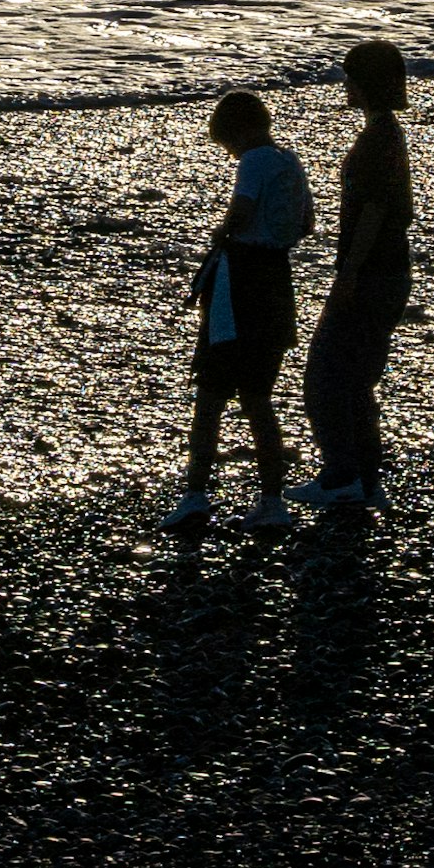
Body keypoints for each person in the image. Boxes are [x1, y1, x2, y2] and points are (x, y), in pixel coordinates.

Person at [167, 89, 313, 539]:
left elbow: (242, 211)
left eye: (227, 144)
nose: (229, 153)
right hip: (276, 280)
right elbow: (308, 224)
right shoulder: (290, 162)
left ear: (236, 132)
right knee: (258, 399)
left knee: (211, 392)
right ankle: (272, 500)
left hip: (241, 280)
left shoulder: (253, 161)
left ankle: (195, 495)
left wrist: (221, 231)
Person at [296, 39, 415, 513]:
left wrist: (348, 272)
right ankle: (366, 479)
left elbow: (375, 211)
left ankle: (341, 474)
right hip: (387, 271)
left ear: (364, 83)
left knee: (326, 376)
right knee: (358, 379)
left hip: (372, 274)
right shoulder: (387, 134)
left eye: (351, 77)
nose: (345, 85)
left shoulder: (378, 141)